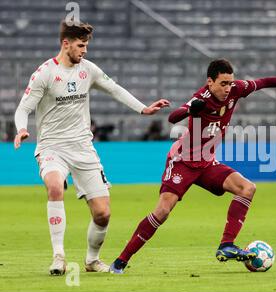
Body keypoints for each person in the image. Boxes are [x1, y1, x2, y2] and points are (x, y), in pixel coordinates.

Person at [110, 58, 276, 273]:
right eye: (223, 83)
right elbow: (173, 118)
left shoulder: (236, 89)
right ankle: (121, 261)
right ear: (210, 82)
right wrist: (190, 109)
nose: (228, 88)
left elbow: (266, 82)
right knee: (162, 211)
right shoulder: (201, 98)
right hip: (183, 162)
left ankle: (226, 245)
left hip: (207, 163)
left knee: (247, 188)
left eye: (230, 82)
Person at [14, 20, 169, 275]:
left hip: (83, 148)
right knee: (54, 186)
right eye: (81, 45)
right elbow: (23, 108)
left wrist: (143, 108)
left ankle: (92, 260)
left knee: (102, 214)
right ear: (66, 44)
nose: (84, 50)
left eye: (86, 45)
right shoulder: (44, 73)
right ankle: (58, 256)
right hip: (52, 146)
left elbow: (114, 89)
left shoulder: (88, 69)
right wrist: (21, 129)